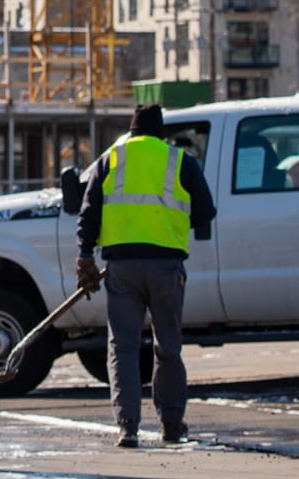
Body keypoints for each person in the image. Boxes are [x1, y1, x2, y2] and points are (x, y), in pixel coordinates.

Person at [75, 102, 216, 448]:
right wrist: (173, 224)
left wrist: (85, 257)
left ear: (132, 130)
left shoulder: (111, 159)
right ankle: (170, 425)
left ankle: (128, 426)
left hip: (122, 267)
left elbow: (88, 213)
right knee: (167, 347)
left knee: (122, 346)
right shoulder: (179, 160)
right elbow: (206, 211)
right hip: (166, 267)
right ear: (159, 131)